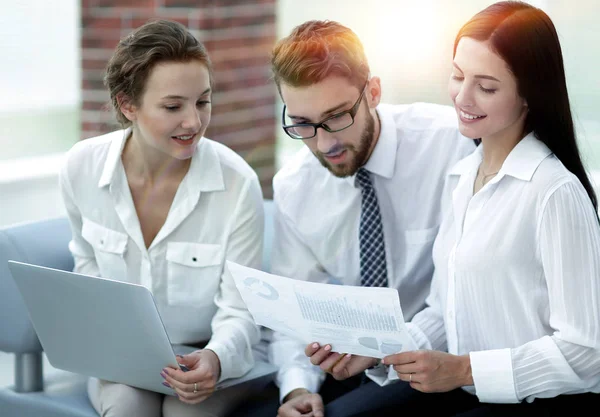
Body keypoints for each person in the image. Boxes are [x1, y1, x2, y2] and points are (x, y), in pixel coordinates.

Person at [307, 2, 600, 416]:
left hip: (541, 401)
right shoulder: (464, 177)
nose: (462, 97)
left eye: (487, 86)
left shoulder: (554, 192)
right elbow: (447, 313)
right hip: (467, 392)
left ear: (529, 93)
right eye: (458, 75)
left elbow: (588, 352)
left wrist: (465, 370)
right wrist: (377, 351)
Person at [229, 19, 476, 417]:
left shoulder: (452, 146)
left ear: (373, 92)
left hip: (433, 361)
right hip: (347, 360)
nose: (324, 143)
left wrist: (384, 349)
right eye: (303, 124)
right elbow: (294, 312)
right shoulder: (296, 186)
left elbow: (463, 297)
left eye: (338, 116)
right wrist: (295, 390)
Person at [58, 19, 264, 417]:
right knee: (126, 409)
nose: (194, 121)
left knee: (183, 413)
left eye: (203, 101)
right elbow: (87, 270)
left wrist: (215, 359)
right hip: (122, 356)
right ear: (127, 104)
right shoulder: (80, 168)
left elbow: (241, 311)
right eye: (173, 106)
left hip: (212, 355)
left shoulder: (238, 184)